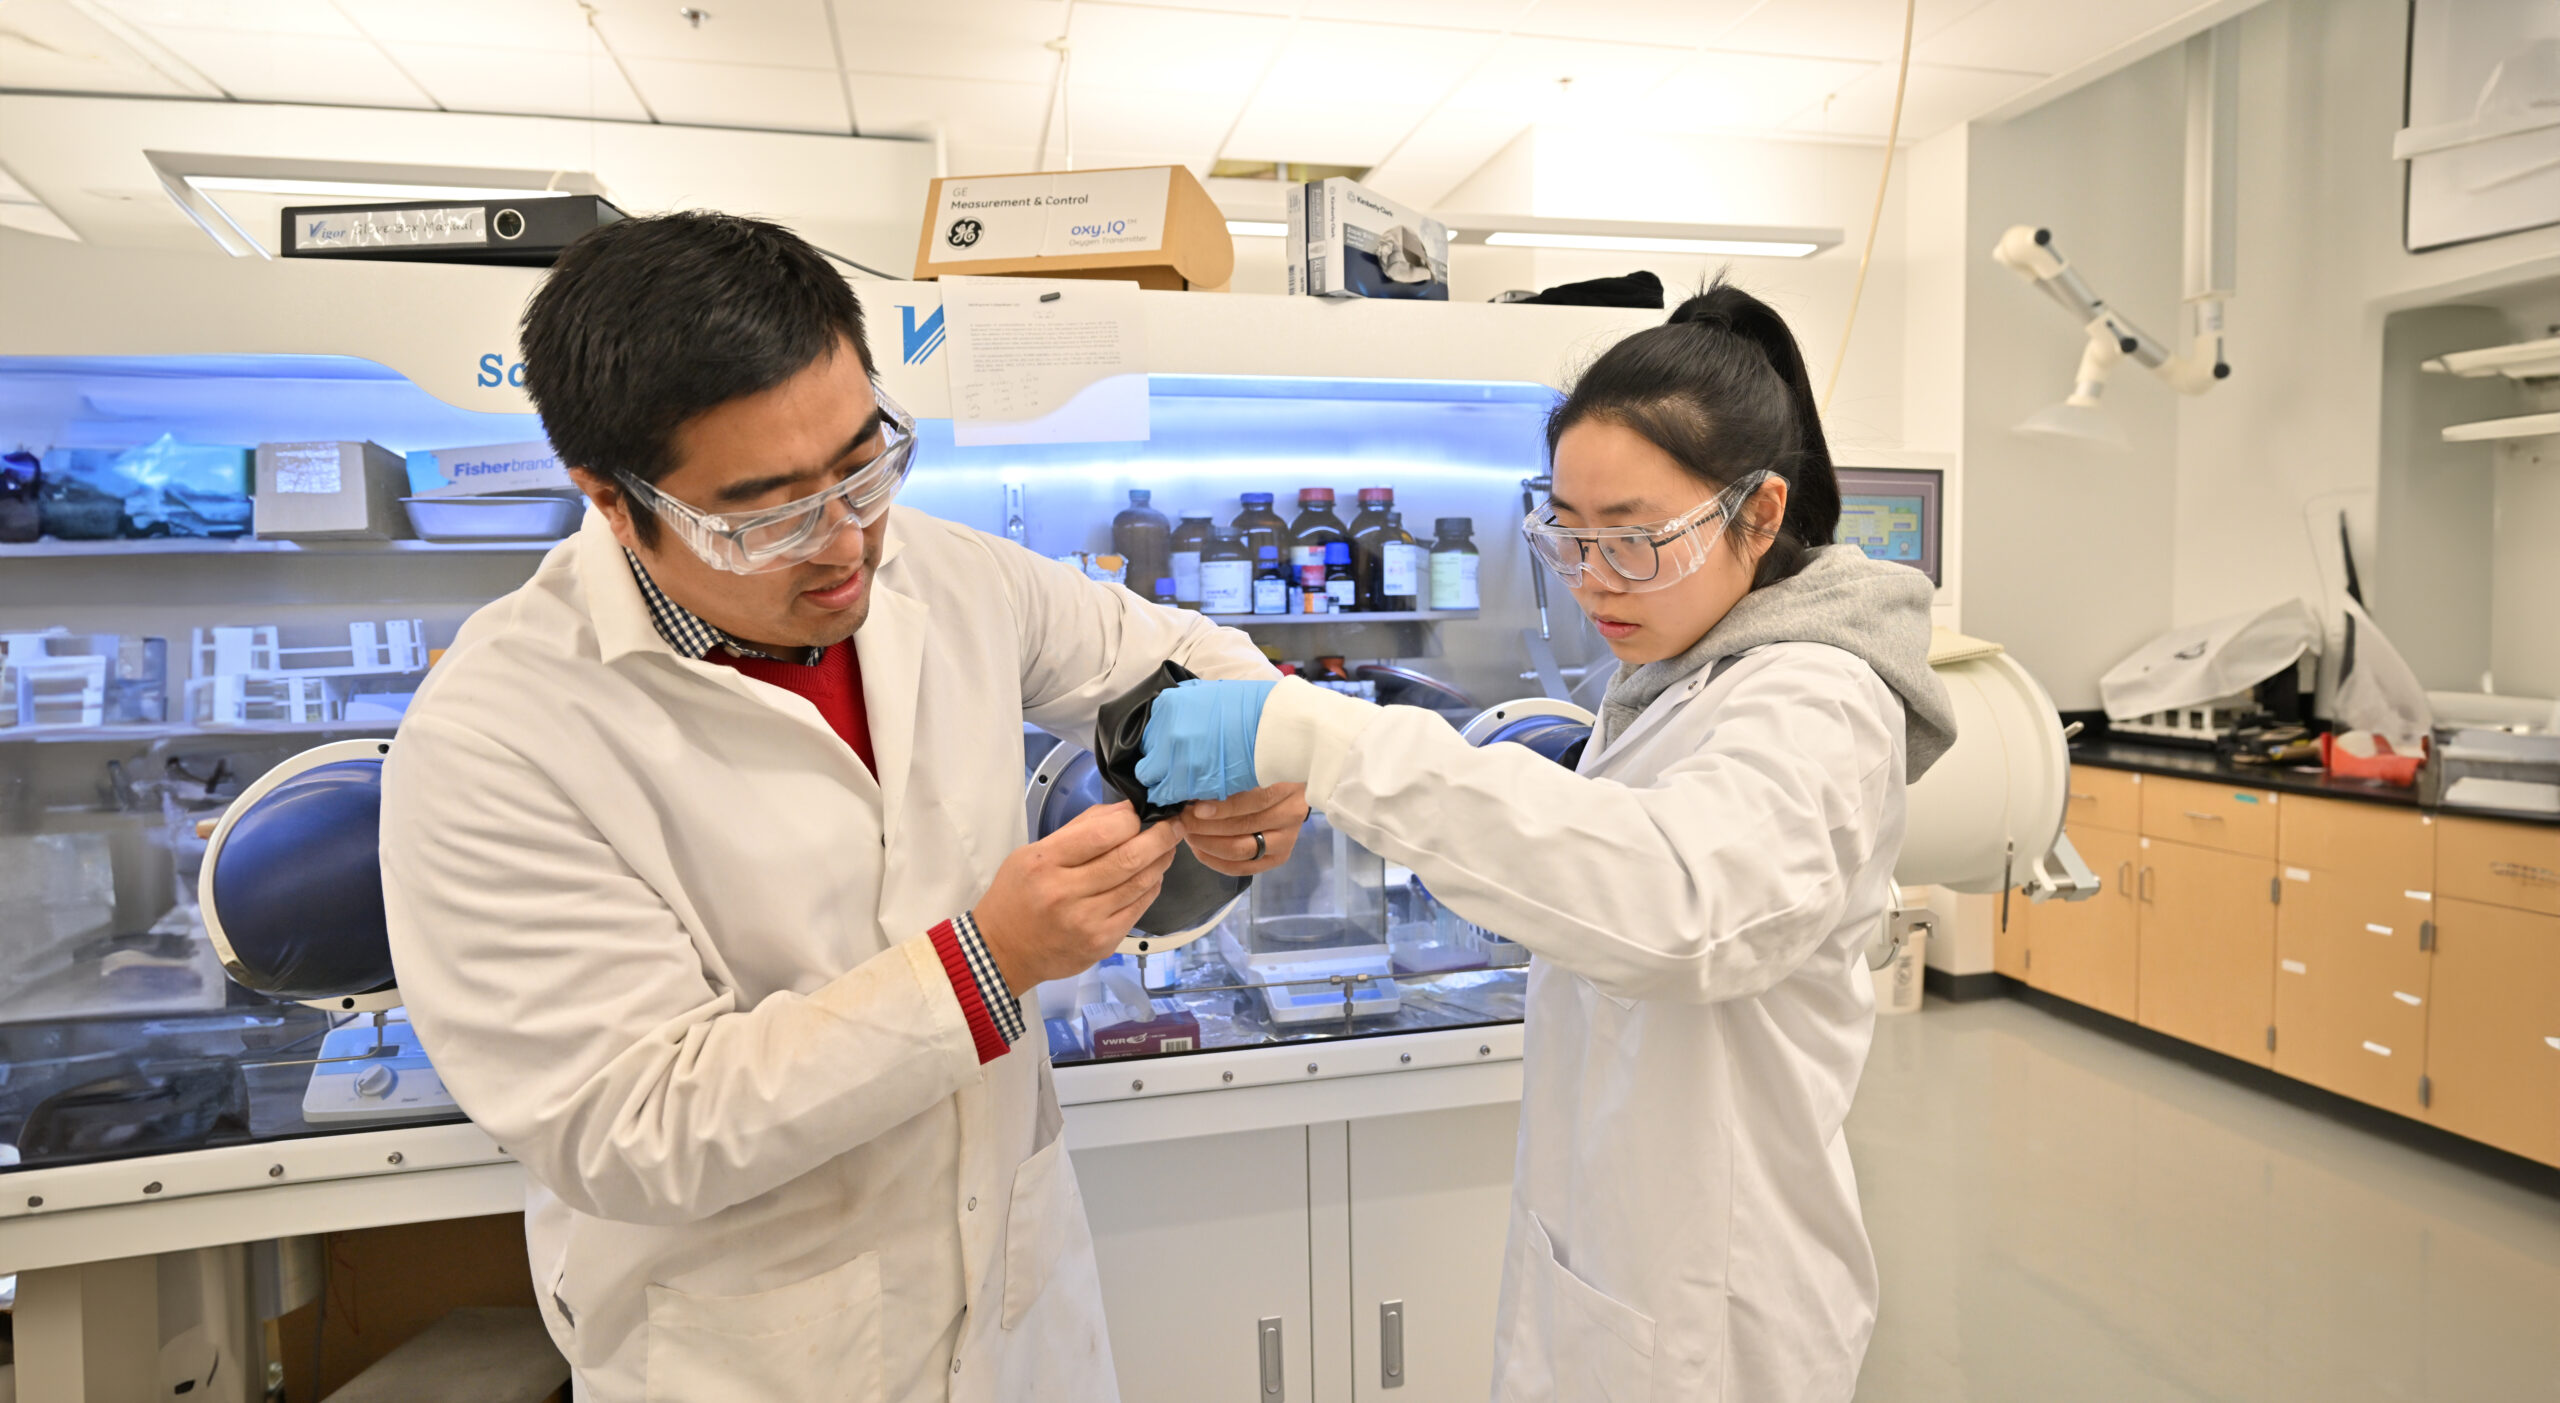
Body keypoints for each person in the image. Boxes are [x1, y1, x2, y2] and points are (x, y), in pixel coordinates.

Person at [377, 212, 1309, 1402]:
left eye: (864, 465)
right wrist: (984, 963)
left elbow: (1182, 654)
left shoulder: (945, 570)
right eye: (765, 511)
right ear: (611, 500)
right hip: (757, 1349)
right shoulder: (497, 736)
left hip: (1021, 1312)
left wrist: (1251, 758)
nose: (846, 543)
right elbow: (630, 1126)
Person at [1134, 282, 1958, 1402]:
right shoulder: (1680, 667)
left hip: (1712, 1310)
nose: (1593, 581)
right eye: (1567, 535)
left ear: (1759, 515)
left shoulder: (1815, 698)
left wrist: (1314, 733)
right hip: (1624, 1259)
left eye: (1636, 540)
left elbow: (1681, 901)